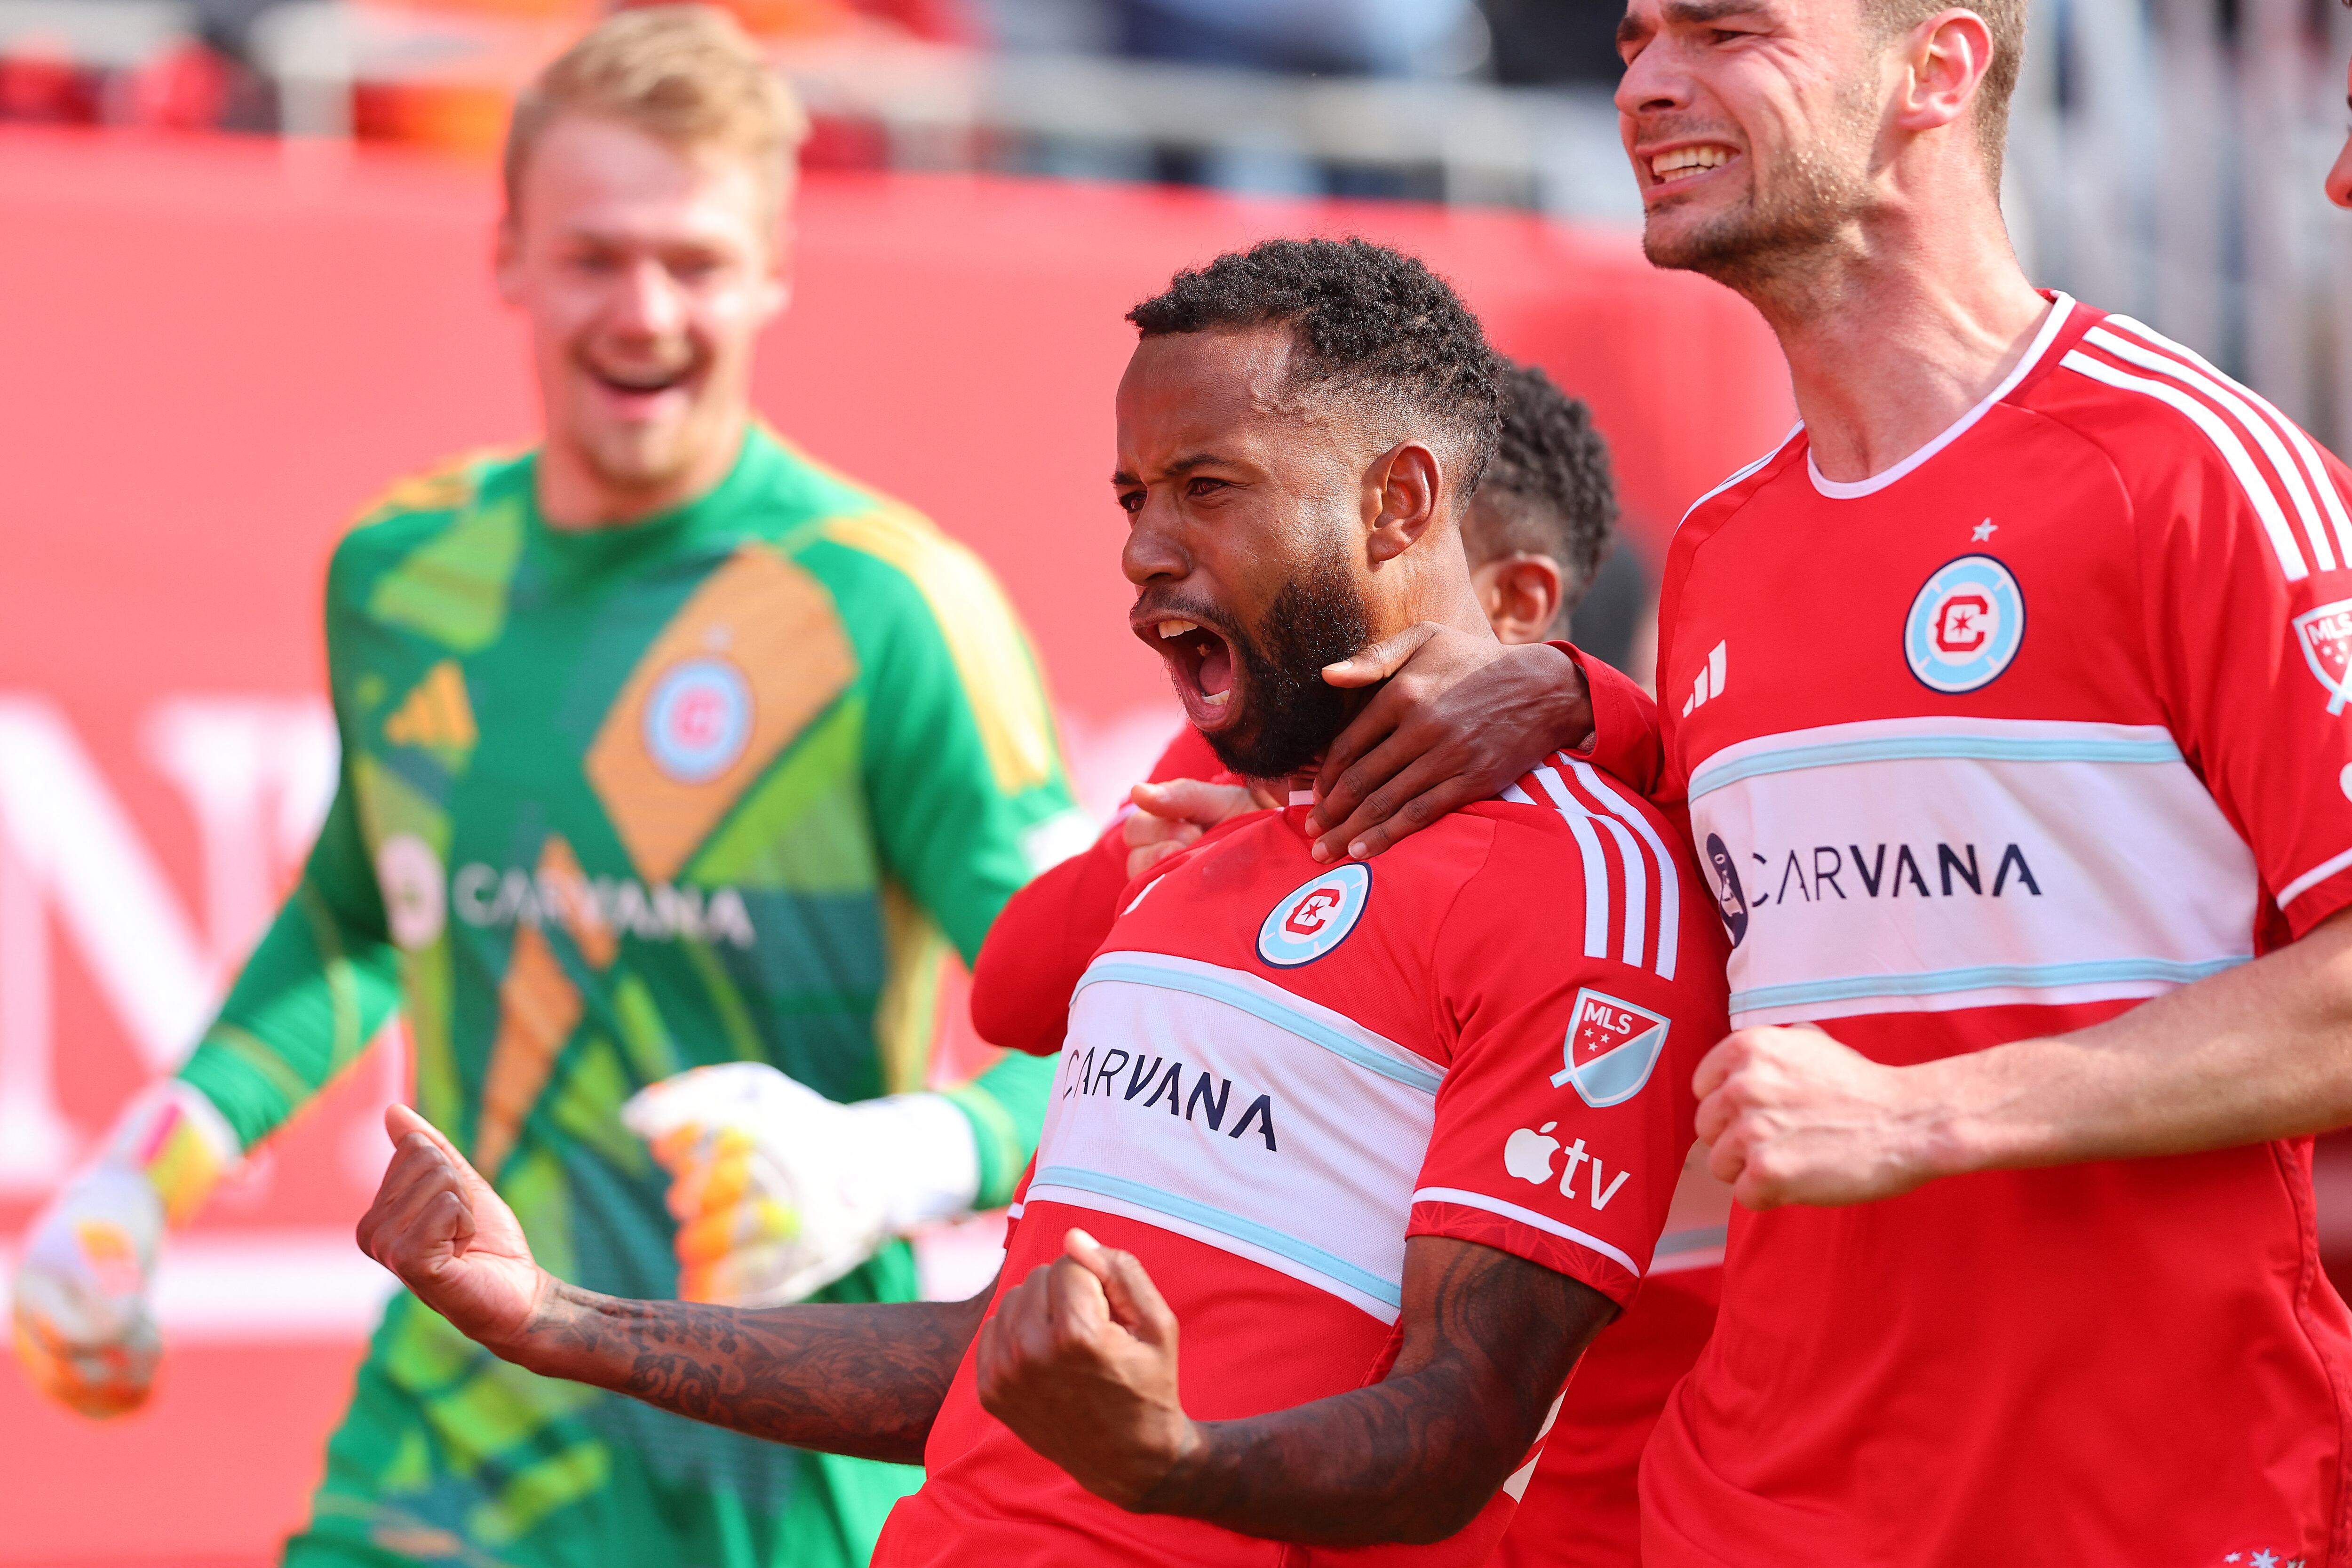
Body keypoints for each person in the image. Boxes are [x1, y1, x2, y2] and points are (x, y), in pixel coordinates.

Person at [354, 235, 1732, 1566]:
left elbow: (1461, 1420)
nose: (1143, 549)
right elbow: (1001, 1357)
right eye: (1135, 498)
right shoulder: (1194, 860)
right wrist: (557, 1316)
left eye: (1209, 486)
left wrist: (1170, 1460)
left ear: (1398, 501)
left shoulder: (1590, 885)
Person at [9, 9, 1087, 1566]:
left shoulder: (891, 609)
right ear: (507, 253)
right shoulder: (401, 573)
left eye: (698, 262)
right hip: (445, 1450)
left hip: (751, 1452)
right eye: (594, 256)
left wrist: (887, 1158)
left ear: (777, 269)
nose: (645, 311)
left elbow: (1122, 1026)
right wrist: (143, 1166)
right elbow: (353, 910)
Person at [1283, 2, 2352, 1563]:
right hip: (1767, 1504)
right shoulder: (1716, 552)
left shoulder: (2198, 473)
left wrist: (1931, 1114)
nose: (1647, 82)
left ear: (1935, 69)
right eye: (1641, 39)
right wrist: (1281, 871)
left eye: (1727, 32)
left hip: (2147, 1501)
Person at [969, 357, 1724, 1568]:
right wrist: (1161, 861)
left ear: (1516, 606)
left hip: (1638, 1496)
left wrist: (1583, 701)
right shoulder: (1278, 762)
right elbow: (1009, 989)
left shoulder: (1628, 852)